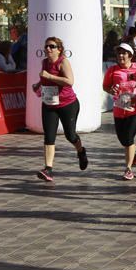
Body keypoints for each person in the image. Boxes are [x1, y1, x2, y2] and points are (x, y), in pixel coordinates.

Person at [32, 37, 88, 181]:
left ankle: (81, 151)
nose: (48, 49)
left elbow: (70, 81)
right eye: (46, 47)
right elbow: (45, 79)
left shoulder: (63, 62)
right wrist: (38, 85)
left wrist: (49, 76)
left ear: (59, 49)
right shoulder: (44, 62)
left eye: (52, 46)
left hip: (67, 104)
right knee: (49, 136)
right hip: (49, 104)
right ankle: (48, 169)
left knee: (70, 135)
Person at [102, 43, 136, 180]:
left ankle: (128, 169)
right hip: (119, 109)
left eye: (124, 53)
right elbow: (106, 86)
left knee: (128, 138)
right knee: (123, 140)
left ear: (130, 55)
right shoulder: (112, 70)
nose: (121, 56)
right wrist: (112, 90)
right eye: (119, 54)